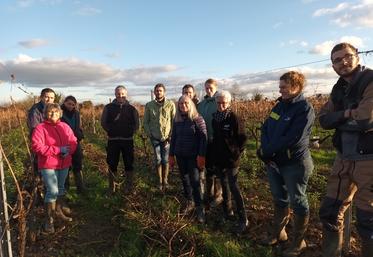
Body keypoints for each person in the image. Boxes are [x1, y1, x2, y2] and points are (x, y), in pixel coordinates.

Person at [318, 42, 373, 257]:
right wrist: (348, 114)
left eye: (347, 56)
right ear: (333, 66)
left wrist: (339, 119)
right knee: (330, 212)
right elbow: (323, 120)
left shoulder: (370, 80)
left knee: (368, 219)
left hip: (369, 158)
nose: (343, 62)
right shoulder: (338, 88)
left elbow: (365, 120)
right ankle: (333, 253)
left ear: (357, 56)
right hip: (343, 159)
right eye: (337, 60)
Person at [257, 71, 315, 256]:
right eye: (280, 86)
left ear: (296, 87)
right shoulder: (279, 107)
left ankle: (299, 242)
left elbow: (294, 138)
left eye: (283, 86)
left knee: (298, 200)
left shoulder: (304, 109)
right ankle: (278, 234)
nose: (279, 89)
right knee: (279, 198)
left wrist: (269, 149)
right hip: (275, 163)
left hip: (294, 164)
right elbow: (266, 127)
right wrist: (265, 147)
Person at [31, 103, 77, 233]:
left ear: (59, 113)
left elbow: (73, 141)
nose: (53, 114)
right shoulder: (41, 128)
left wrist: (69, 151)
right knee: (52, 190)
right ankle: (49, 221)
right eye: (50, 112)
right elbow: (36, 146)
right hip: (48, 164)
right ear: (46, 113)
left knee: (61, 188)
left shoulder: (65, 126)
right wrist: (57, 150)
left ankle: (58, 212)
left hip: (64, 163)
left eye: (56, 112)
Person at [212, 90, 248, 234]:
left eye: (224, 102)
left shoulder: (234, 118)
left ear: (228, 103)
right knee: (224, 185)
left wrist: (236, 154)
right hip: (219, 159)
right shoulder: (215, 119)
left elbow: (243, 139)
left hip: (231, 160)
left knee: (234, 187)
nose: (221, 105)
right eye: (218, 102)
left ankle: (243, 218)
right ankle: (227, 213)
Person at [169, 95, 207, 223]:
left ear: (190, 104)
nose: (183, 106)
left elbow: (203, 138)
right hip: (180, 155)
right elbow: (173, 138)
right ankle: (189, 201)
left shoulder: (197, 119)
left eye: (185, 103)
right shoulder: (177, 120)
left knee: (195, 182)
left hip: (193, 156)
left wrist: (201, 156)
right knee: (184, 179)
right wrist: (171, 155)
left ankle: (199, 207)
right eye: (180, 104)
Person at [101, 85, 139, 194]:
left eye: (122, 94)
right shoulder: (108, 107)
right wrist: (111, 130)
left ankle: (129, 187)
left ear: (126, 95)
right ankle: (112, 187)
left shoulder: (132, 109)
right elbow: (103, 123)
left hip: (127, 140)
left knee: (129, 163)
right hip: (113, 140)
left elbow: (136, 124)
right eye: (118, 93)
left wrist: (130, 131)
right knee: (112, 163)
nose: (120, 96)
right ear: (115, 94)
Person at [143, 83, 176, 191]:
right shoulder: (149, 105)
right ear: (154, 92)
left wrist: (171, 136)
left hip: (167, 138)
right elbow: (146, 122)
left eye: (160, 90)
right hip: (155, 138)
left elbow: (174, 121)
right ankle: (160, 181)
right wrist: (150, 134)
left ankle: (165, 181)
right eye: (156, 90)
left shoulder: (170, 104)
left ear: (164, 92)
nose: (158, 92)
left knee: (165, 160)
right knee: (157, 159)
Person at [197, 79, 223, 208]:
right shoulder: (201, 104)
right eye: (206, 88)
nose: (208, 90)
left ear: (215, 88)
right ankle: (209, 193)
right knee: (207, 168)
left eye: (210, 88)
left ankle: (218, 195)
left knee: (217, 168)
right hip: (204, 140)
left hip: (216, 140)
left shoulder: (219, 101)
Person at [27, 88, 56, 175]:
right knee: (42, 168)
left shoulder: (52, 109)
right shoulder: (35, 110)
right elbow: (35, 129)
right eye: (46, 97)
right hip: (41, 143)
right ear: (41, 97)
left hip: (51, 143)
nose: (49, 100)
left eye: (52, 97)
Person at [61, 95, 86, 194]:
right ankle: (65, 188)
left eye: (72, 104)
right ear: (64, 103)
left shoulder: (76, 113)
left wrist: (80, 135)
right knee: (65, 165)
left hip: (75, 142)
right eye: (68, 104)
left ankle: (80, 187)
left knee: (78, 163)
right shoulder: (60, 113)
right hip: (64, 143)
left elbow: (78, 126)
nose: (70, 106)